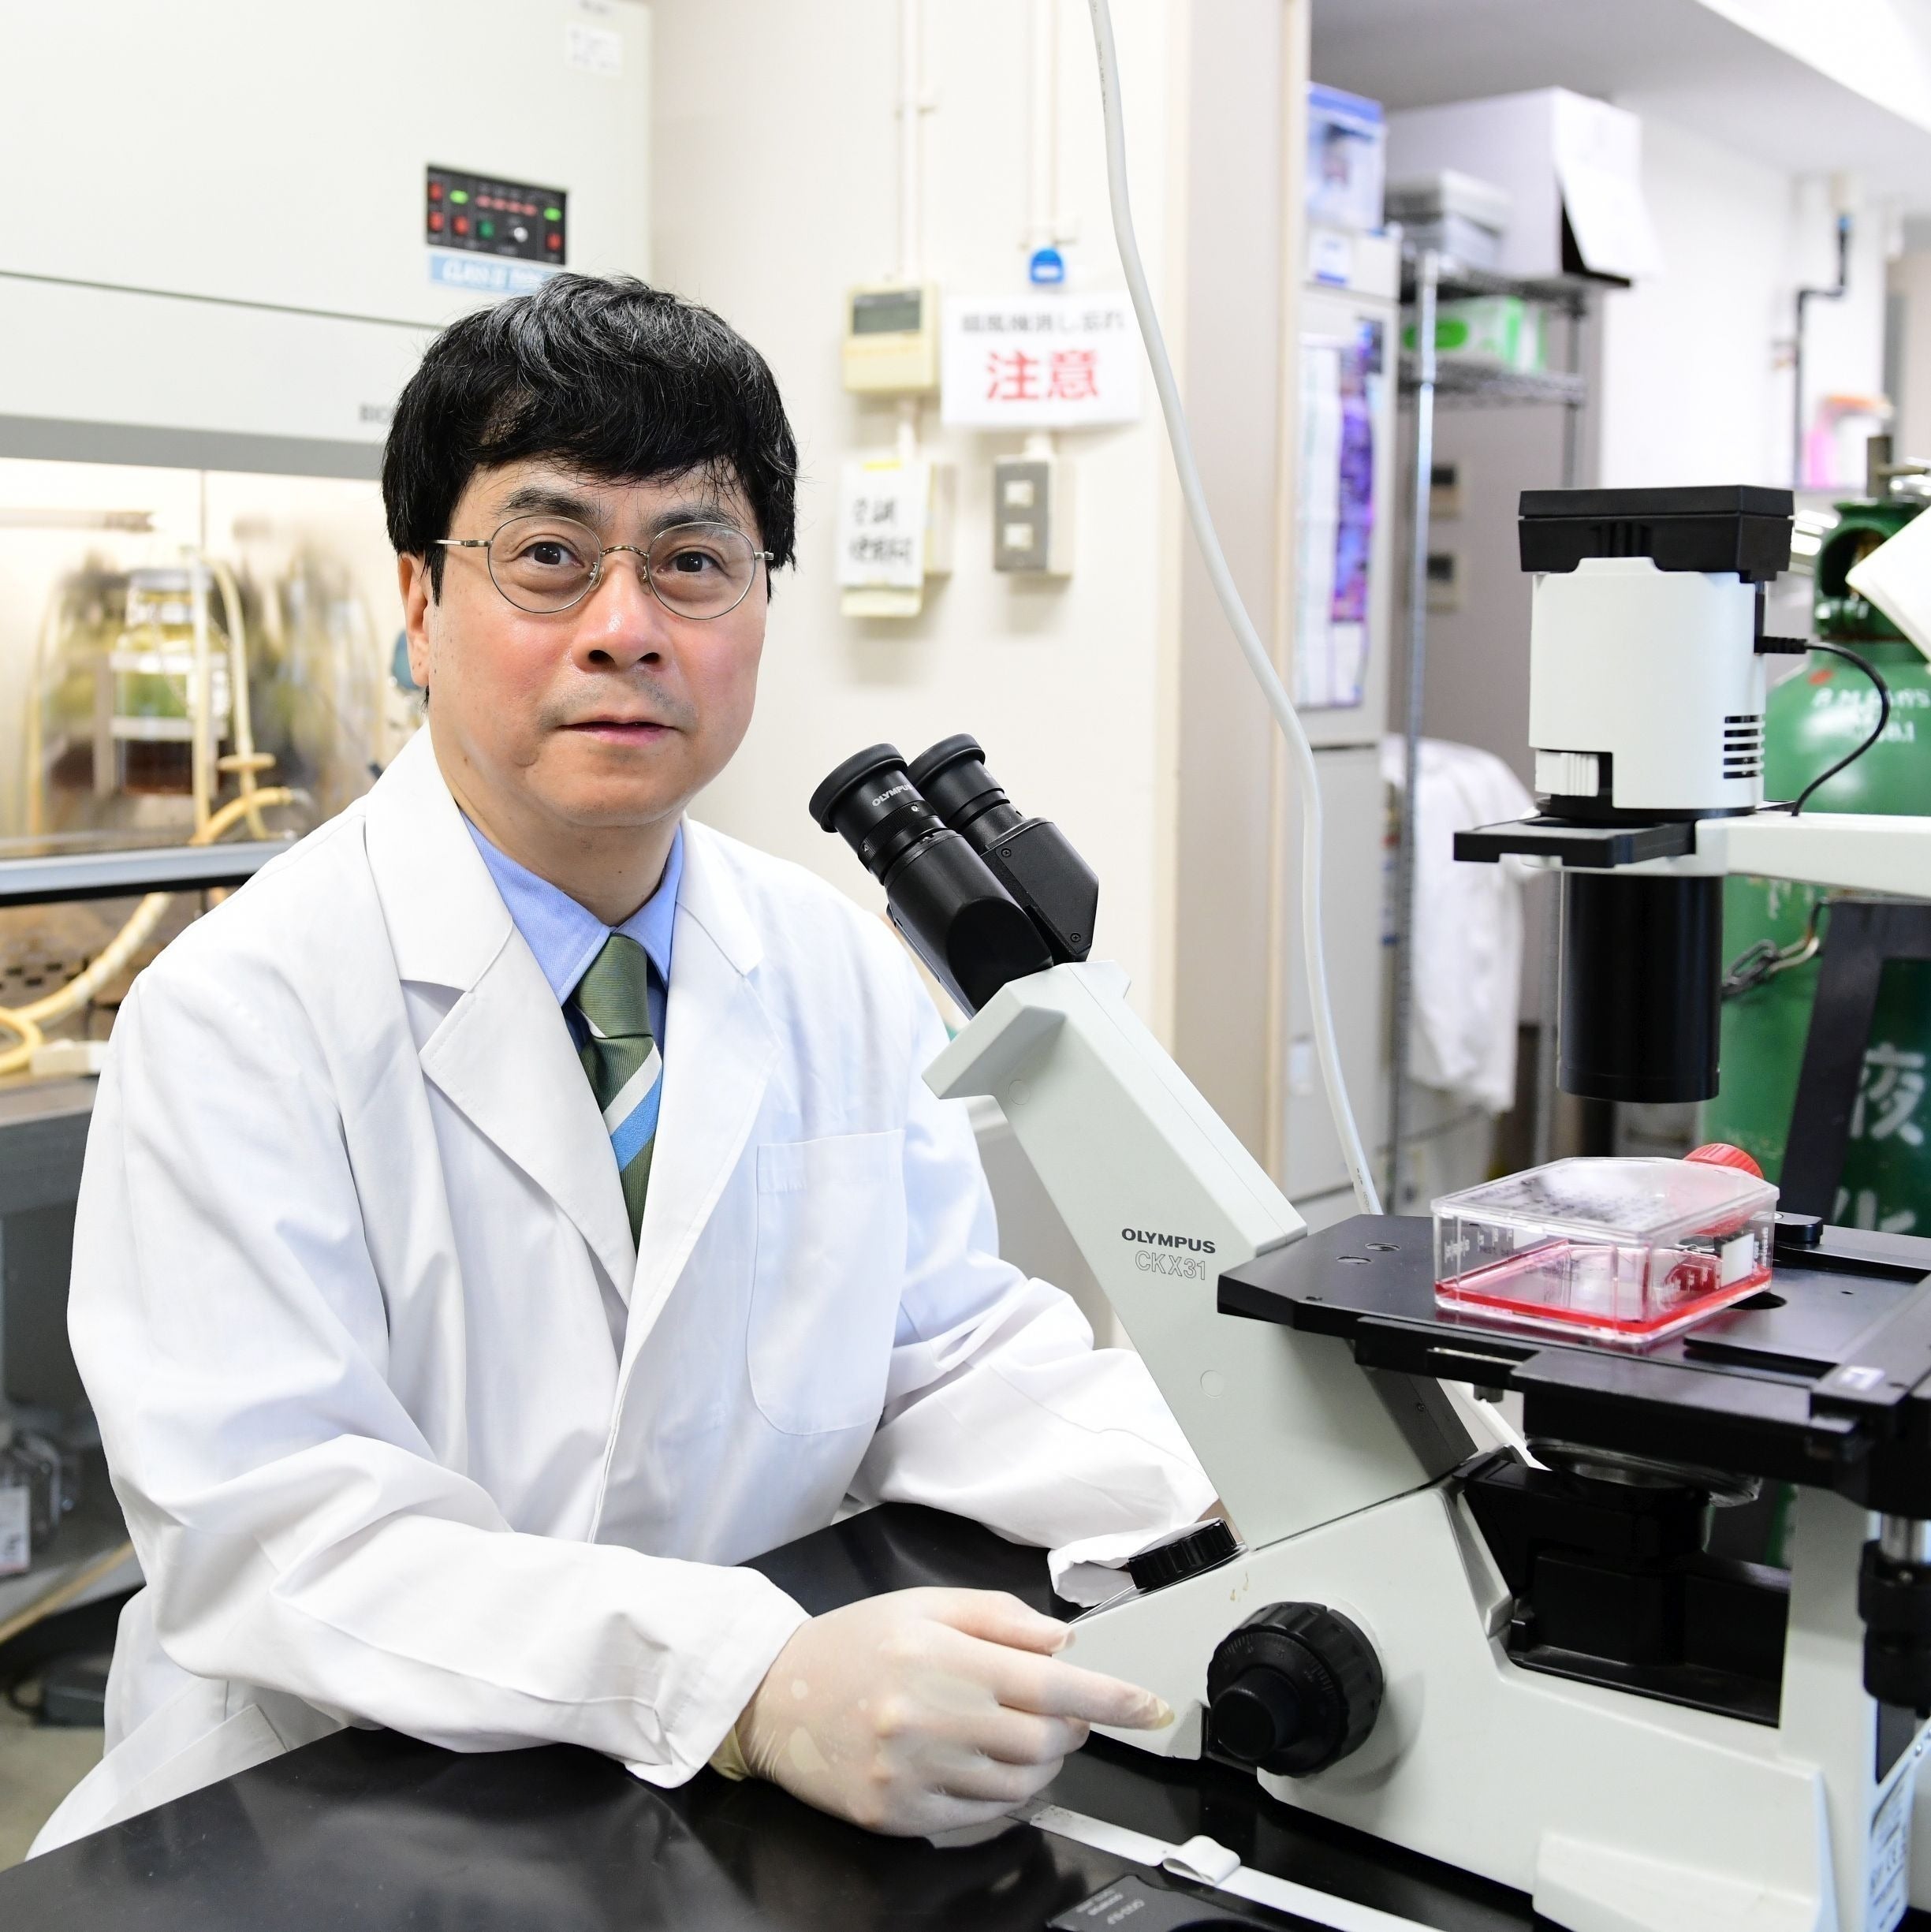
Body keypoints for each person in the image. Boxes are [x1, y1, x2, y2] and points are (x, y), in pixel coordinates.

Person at [33, 275, 1212, 1852]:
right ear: (418, 600)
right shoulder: (237, 1012)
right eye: (548, 555)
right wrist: (741, 1679)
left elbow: (934, 1349)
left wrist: (1233, 1469)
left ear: (761, 605)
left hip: (706, 1809)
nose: (626, 627)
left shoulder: (831, 961)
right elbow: (277, 1532)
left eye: (693, 561)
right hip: (346, 1803)